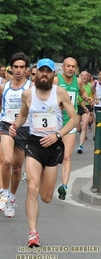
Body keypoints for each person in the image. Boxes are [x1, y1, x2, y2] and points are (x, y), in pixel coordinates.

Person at [9, 58, 76, 248]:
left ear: (54, 74)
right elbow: (22, 115)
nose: (44, 74)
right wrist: (15, 125)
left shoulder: (60, 93)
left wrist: (58, 135)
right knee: (32, 189)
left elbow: (74, 119)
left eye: (48, 71)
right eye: (41, 71)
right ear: (35, 73)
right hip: (34, 143)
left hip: (53, 145)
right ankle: (33, 234)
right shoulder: (28, 95)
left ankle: (38, 207)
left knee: (46, 197)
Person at [0, 52, 32, 218]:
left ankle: (12, 198)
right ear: (11, 68)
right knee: (6, 160)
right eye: (16, 67)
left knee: (16, 168)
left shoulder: (30, 87)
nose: (19, 70)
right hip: (6, 125)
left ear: (26, 69)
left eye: (22, 67)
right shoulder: (4, 86)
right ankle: (5, 193)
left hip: (24, 128)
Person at [53, 57, 92, 200]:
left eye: (73, 66)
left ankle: (64, 186)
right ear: (62, 67)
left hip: (70, 122)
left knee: (67, 156)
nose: (70, 68)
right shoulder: (56, 80)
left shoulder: (78, 81)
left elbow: (81, 93)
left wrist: (85, 100)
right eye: (68, 66)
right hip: (54, 123)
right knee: (50, 157)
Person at [77, 71, 94, 153]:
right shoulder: (77, 85)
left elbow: (94, 95)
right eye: (82, 75)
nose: (84, 77)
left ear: (88, 77)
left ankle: (80, 146)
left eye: (85, 75)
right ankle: (80, 131)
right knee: (78, 128)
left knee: (84, 126)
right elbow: (78, 97)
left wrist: (93, 101)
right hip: (77, 106)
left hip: (87, 106)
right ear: (80, 76)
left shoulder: (91, 86)